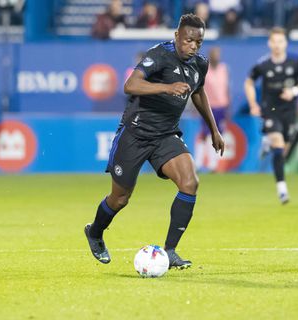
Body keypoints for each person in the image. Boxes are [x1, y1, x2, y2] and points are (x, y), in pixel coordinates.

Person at [84, 14, 225, 269]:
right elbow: (131, 85)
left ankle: (170, 251)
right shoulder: (159, 55)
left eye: (198, 42)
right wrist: (166, 88)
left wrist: (214, 129)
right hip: (135, 134)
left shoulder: (199, 65)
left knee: (190, 182)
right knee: (120, 198)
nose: (193, 46)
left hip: (166, 135)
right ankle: (95, 232)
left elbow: (199, 92)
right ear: (177, 36)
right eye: (188, 40)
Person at [244, 27, 298, 204]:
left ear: (285, 43)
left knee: (283, 150)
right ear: (269, 43)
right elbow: (249, 82)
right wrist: (253, 104)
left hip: (289, 111)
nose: (277, 45)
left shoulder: (295, 62)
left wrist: (294, 90)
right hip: (270, 110)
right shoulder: (263, 64)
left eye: (280, 41)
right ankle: (282, 189)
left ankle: (267, 142)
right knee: (279, 147)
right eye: (274, 41)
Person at [195, 46, 230, 172]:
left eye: (218, 54)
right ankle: (198, 164)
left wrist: (228, 106)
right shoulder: (204, 69)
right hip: (208, 107)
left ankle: (213, 165)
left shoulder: (224, 68)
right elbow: (198, 89)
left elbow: (226, 88)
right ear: (210, 55)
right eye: (214, 54)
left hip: (221, 106)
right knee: (205, 135)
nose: (216, 56)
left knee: (218, 134)